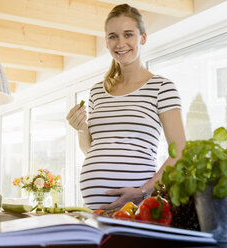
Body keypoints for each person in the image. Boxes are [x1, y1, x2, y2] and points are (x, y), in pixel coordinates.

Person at [66, 4, 186, 210]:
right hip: (96, 211)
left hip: (138, 207)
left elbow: (181, 152)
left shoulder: (162, 88)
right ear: (106, 42)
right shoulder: (97, 91)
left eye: (128, 34)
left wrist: (143, 192)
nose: (120, 43)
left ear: (143, 38)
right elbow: (92, 149)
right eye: (113, 36)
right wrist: (81, 129)